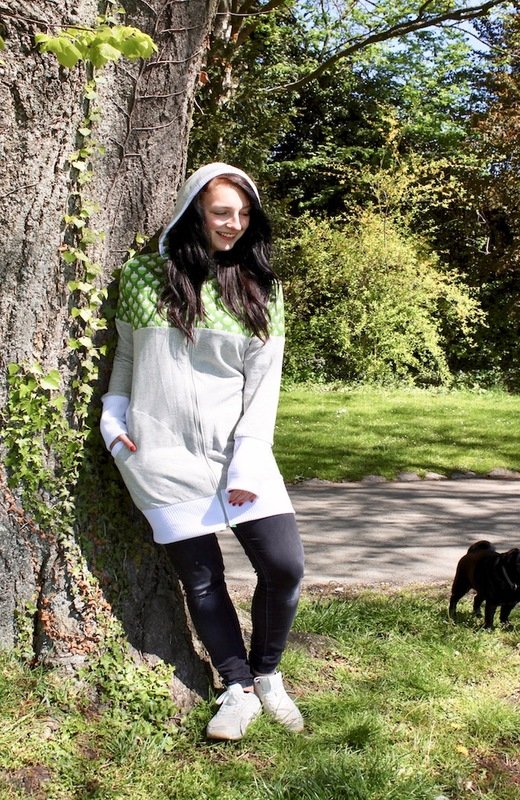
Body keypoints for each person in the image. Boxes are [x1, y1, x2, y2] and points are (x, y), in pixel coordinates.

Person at [100, 163, 305, 741]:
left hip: (240, 453)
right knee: (203, 580)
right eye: (221, 212)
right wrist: (114, 416)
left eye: (244, 214)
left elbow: (264, 384)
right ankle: (237, 688)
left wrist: (248, 458)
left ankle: (267, 674)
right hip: (160, 456)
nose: (234, 224)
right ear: (195, 211)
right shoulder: (144, 276)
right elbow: (128, 356)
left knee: (284, 566)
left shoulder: (262, 287)